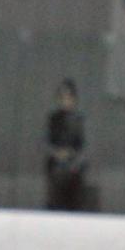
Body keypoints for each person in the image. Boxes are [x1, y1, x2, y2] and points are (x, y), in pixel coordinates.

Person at [45, 79, 86, 211]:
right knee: (56, 203)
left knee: (72, 205)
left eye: (69, 97)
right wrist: (56, 153)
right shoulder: (53, 118)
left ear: (74, 99)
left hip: (74, 168)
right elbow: (45, 141)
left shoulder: (80, 119)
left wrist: (72, 154)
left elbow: (83, 144)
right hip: (56, 168)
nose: (65, 101)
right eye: (62, 97)